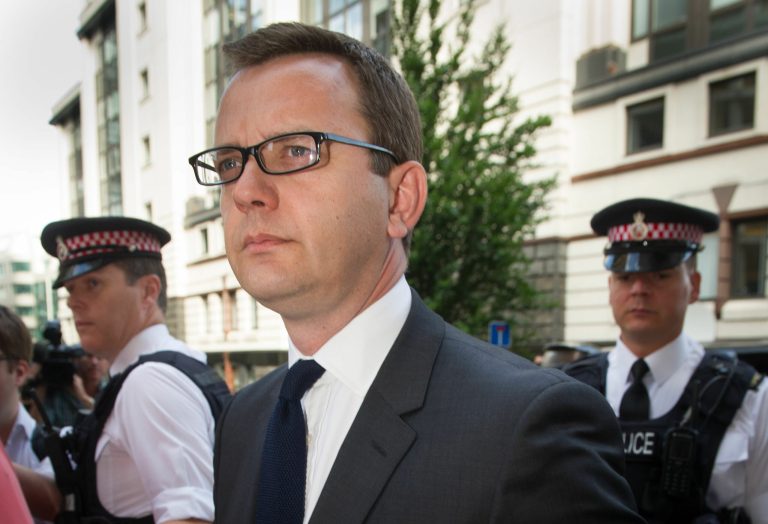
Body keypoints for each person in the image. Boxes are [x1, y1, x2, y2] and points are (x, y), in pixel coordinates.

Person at [192, 22, 643, 523]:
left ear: (400, 199)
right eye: (230, 163)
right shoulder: (240, 420)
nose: (244, 191)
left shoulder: (527, 427)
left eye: (297, 150)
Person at [564, 198, 768, 523]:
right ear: (610, 287)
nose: (639, 289)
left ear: (695, 286)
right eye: (625, 277)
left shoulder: (749, 399)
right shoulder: (567, 391)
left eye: (660, 275)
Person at [16, 216, 231, 524]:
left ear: (148, 292)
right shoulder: (163, 368)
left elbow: (192, 518)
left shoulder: (149, 382)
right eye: (70, 289)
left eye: (92, 284)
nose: (73, 302)